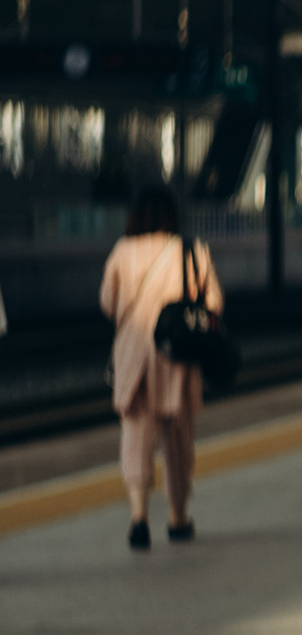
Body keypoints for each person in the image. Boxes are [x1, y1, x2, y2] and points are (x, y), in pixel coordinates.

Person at [99, 185, 221, 552]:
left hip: (135, 352)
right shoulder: (192, 250)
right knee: (179, 441)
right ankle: (177, 518)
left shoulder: (122, 251)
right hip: (178, 353)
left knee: (136, 437)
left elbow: (107, 301)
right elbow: (213, 302)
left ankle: (138, 518)